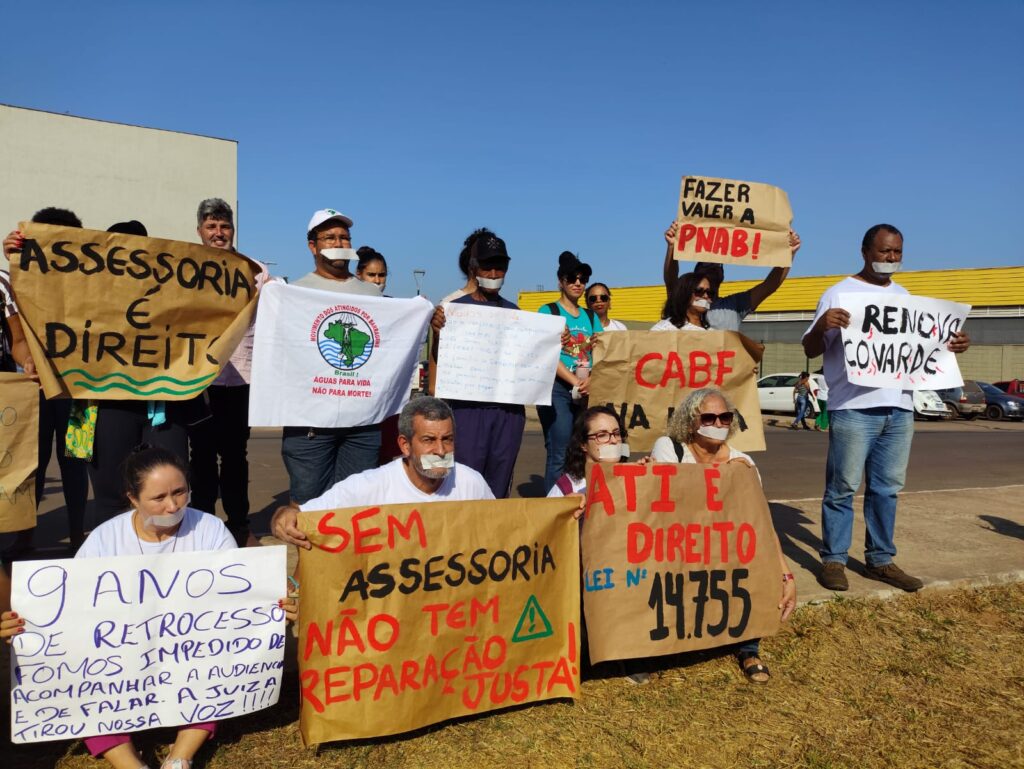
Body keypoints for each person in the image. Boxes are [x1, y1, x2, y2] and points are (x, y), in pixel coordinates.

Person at [0, 446, 296, 769]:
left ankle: (180, 758)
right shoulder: (104, 541)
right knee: (82, 686)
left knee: (219, 670)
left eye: (180, 492)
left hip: (189, 659)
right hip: (120, 669)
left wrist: (272, 607)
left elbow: (236, 606)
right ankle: (130, 765)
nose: (173, 505)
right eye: (159, 498)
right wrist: (28, 629)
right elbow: (71, 610)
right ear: (132, 498)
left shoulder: (210, 531)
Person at [802, 224, 971, 593]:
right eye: (884, 252)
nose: (891, 259)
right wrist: (823, 326)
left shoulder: (906, 296)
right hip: (854, 408)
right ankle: (834, 559)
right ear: (864, 251)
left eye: (897, 252)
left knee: (886, 488)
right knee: (842, 487)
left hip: (899, 408)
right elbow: (811, 349)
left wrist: (954, 344)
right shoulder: (838, 294)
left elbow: (926, 346)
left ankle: (880, 559)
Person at [650, 387, 796, 682]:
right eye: (709, 417)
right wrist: (722, 478)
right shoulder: (670, 448)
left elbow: (759, 523)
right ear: (690, 421)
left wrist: (785, 574)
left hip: (725, 548)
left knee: (750, 568)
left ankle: (749, 649)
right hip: (680, 547)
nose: (718, 424)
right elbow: (672, 502)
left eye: (725, 417)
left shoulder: (744, 463)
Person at [272, 397, 494, 549]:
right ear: (405, 445)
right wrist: (283, 516)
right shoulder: (368, 487)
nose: (440, 450)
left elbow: (499, 533)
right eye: (429, 440)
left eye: (448, 439)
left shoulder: (471, 482)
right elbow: (298, 516)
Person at [281, 209, 383, 505]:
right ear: (312, 245)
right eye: (329, 237)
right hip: (309, 423)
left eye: (344, 237)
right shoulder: (293, 293)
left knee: (357, 506)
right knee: (307, 506)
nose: (339, 242)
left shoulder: (372, 294)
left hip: (362, 424)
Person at [2, 208, 89, 548]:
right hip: (33, 390)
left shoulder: (91, 281)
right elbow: (18, 338)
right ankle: (25, 535)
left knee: (76, 464)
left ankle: (79, 536)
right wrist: (14, 258)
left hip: (82, 390)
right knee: (30, 463)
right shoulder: (20, 278)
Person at [187, 199, 270, 544]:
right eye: (211, 226)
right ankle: (203, 528)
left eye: (224, 226)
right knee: (201, 456)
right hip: (197, 382)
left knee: (236, 457)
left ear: (233, 230)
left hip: (241, 381)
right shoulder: (185, 270)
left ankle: (239, 525)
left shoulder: (256, 272)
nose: (218, 233)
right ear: (200, 231)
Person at [430, 231, 525, 498]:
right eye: (487, 266)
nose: (494, 273)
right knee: (462, 482)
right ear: (474, 267)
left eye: (500, 267)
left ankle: (492, 539)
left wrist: (555, 339)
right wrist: (438, 333)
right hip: (467, 410)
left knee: (499, 483)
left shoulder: (516, 313)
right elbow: (438, 359)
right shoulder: (451, 310)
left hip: (508, 412)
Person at [537, 252, 603, 492]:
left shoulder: (590, 316)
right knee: (559, 450)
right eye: (572, 278)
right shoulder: (548, 311)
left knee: (582, 448)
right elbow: (547, 356)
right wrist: (574, 381)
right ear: (560, 281)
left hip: (586, 389)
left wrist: (591, 380)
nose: (578, 283)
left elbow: (601, 353)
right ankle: (554, 510)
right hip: (558, 388)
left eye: (582, 279)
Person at [663, 223, 802, 331]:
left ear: (722, 275)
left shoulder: (734, 305)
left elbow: (769, 286)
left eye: (717, 266)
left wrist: (788, 255)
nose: (712, 269)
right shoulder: (682, 300)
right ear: (696, 274)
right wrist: (672, 247)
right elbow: (670, 279)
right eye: (706, 265)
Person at [547, 405, 628, 497]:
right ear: (583, 444)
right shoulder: (566, 488)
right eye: (602, 435)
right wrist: (565, 508)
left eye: (617, 433)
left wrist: (647, 473)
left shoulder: (633, 478)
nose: (614, 440)